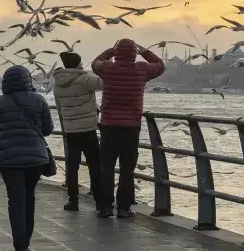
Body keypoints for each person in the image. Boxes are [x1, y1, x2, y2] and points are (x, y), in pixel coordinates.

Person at [92, 39, 164, 219]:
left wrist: (110, 51)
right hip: (131, 127)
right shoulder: (142, 69)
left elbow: (95, 63)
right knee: (127, 169)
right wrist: (145, 51)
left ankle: (105, 207)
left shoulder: (107, 68)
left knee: (106, 167)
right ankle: (124, 208)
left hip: (109, 126)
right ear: (134, 53)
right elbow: (160, 65)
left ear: (116, 53)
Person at [0, 65, 53, 251]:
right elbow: (47, 130)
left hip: (8, 159)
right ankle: (26, 242)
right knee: (29, 197)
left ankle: (20, 245)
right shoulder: (39, 100)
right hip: (35, 159)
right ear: (28, 80)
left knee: (15, 200)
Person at [53, 52, 103, 212]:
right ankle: (98, 200)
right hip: (88, 129)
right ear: (78, 64)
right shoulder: (85, 79)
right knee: (94, 165)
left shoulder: (57, 84)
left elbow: (60, 109)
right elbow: (104, 83)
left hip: (70, 131)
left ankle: (73, 200)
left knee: (72, 165)